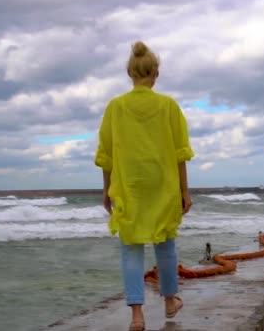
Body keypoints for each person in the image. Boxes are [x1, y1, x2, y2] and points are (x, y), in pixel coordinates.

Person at [94, 41, 194, 331]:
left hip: (130, 186)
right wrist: (184, 191)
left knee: (131, 249)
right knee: (165, 244)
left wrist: (107, 189)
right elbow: (180, 153)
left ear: (130, 72)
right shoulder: (168, 106)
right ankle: (169, 301)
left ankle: (137, 316)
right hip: (163, 185)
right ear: (155, 73)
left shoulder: (115, 107)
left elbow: (106, 155)